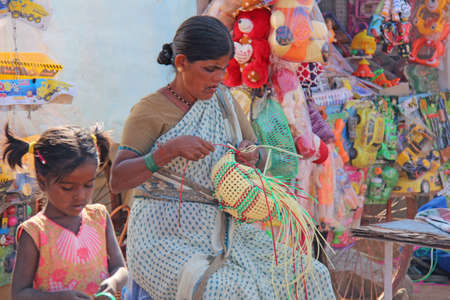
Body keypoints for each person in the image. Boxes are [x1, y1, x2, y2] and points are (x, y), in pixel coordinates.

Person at [110, 15, 335, 300]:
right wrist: (167, 152)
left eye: (223, 68)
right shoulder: (150, 110)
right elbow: (118, 179)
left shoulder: (224, 101)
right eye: (209, 69)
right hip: (163, 240)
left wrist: (250, 157)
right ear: (181, 63)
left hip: (227, 234)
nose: (219, 77)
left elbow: (255, 150)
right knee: (224, 288)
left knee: (311, 275)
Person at [3, 124, 128, 300]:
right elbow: (20, 294)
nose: (81, 196)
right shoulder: (34, 232)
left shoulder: (99, 216)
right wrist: (59, 297)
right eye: (68, 188)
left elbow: (120, 268)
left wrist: (113, 283)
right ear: (42, 179)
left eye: (88, 184)